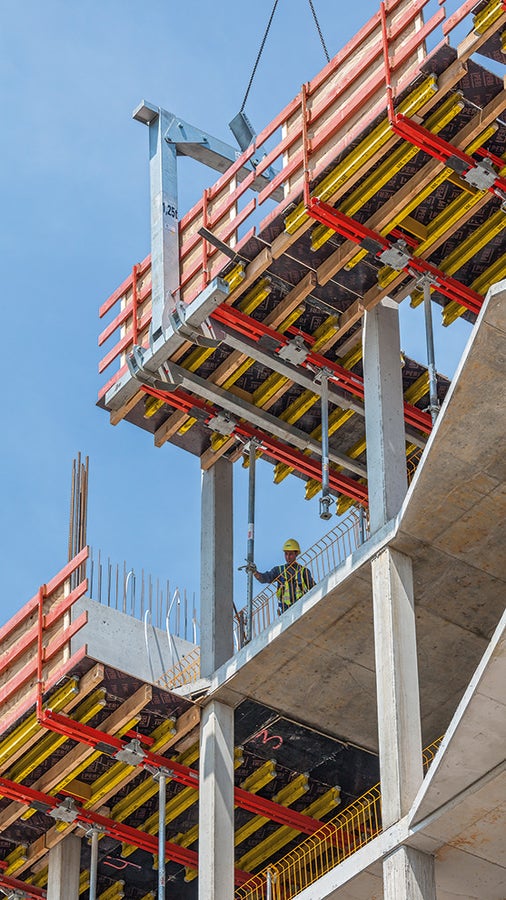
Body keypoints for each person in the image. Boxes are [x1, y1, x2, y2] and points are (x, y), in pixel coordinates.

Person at [253, 539, 315, 614]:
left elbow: (314, 588)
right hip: (286, 610)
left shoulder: (303, 571)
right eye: (286, 554)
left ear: (296, 554)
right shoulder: (279, 570)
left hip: (302, 605)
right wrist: (255, 572)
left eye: (290, 554)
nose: (288, 557)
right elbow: (265, 578)